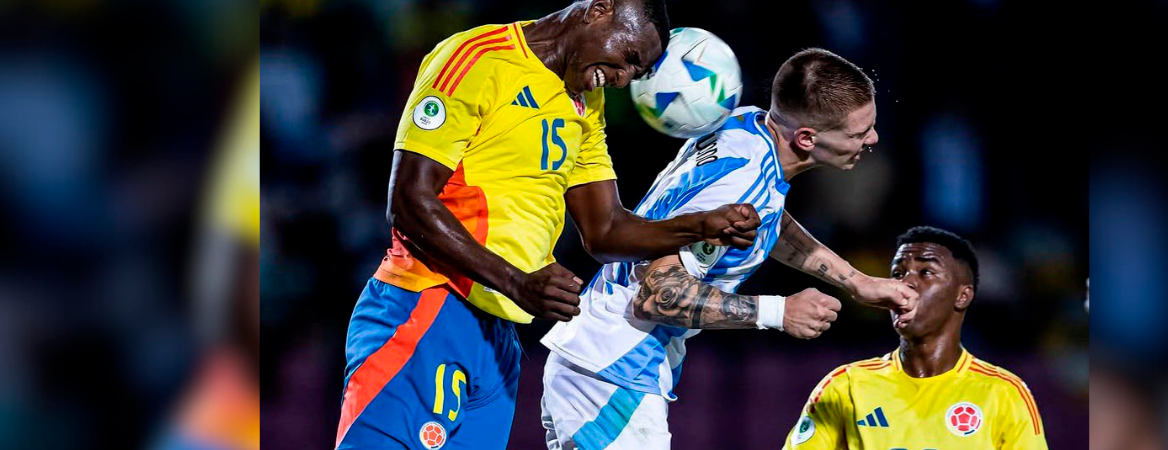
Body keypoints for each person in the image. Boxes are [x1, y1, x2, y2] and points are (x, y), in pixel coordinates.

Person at [334, 1, 763, 449]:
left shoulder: (586, 102)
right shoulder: (477, 58)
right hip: (427, 306)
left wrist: (698, 227)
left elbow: (605, 229)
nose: (623, 79)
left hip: (499, 336)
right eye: (628, 58)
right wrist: (516, 281)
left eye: (636, 74)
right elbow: (409, 201)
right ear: (599, 9)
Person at [539, 48, 918, 450]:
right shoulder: (739, 187)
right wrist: (779, 312)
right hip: (614, 373)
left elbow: (769, 218)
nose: (872, 139)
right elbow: (657, 294)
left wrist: (855, 281)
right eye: (859, 133)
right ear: (807, 138)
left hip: (598, 363)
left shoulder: (747, 126)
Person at [784, 226, 1048, 450]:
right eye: (898, 274)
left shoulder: (1004, 394)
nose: (905, 283)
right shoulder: (846, 386)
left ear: (962, 296)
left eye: (926, 272)